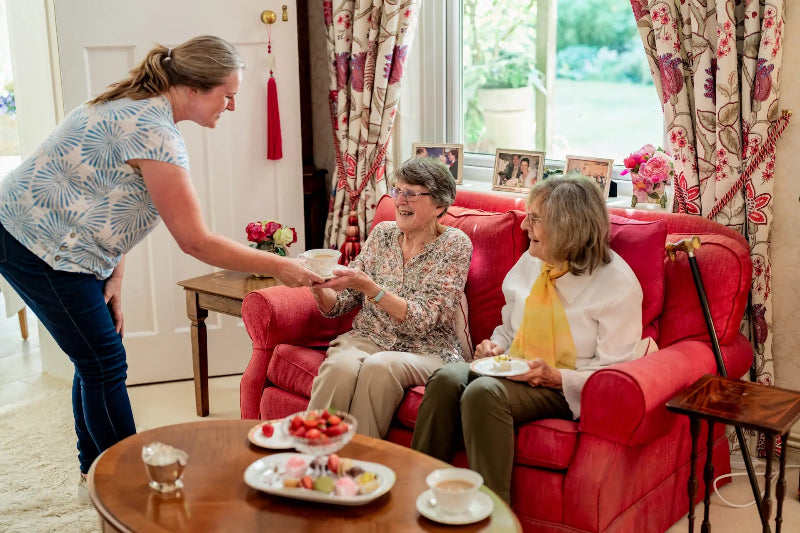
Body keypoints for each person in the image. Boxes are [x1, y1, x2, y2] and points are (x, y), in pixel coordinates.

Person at [0, 35, 323, 498]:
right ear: (192, 88)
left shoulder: (131, 104)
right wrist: (281, 267)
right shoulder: (156, 133)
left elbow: (112, 197)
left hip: (61, 242)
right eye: (226, 94)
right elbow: (196, 241)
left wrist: (115, 273)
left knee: (95, 355)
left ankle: (94, 470)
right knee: (104, 361)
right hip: (34, 242)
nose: (232, 106)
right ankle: (129, 485)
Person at [411, 175, 645, 503]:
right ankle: (422, 494)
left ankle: (493, 517)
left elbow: (613, 374)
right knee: (446, 378)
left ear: (568, 226)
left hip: (565, 387)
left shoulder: (616, 285)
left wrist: (554, 377)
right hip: (516, 369)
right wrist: (495, 347)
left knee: (483, 392)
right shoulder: (532, 261)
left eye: (535, 218)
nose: (524, 227)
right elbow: (509, 329)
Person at [307, 157, 473, 439]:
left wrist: (372, 288)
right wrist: (318, 285)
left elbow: (424, 319)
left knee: (380, 367)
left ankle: (360, 465)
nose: (400, 201)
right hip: (368, 338)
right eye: (398, 191)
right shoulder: (383, 233)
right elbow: (344, 301)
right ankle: (311, 455)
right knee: (339, 366)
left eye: (411, 194)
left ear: (439, 206)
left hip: (428, 350)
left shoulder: (454, 245)